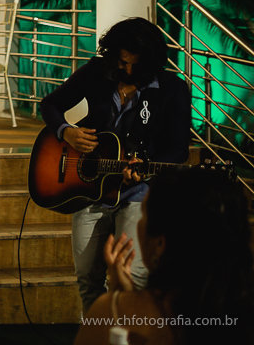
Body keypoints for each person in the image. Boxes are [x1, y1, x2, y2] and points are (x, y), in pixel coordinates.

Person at [40, 17, 191, 314]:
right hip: (89, 189)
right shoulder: (98, 72)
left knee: (133, 277)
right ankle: (96, 333)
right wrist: (66, 132)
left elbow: (178, 150)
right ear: (113, 55)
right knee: (87, 276)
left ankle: (127, 335)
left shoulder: (172, 89)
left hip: (137, 194)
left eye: (137, 65)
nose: (129, 71)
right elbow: (50, 105)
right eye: (123, 63)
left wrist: (144, 165)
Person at [73, 168, 254, 344]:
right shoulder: (237, 314)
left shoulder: (115, 311)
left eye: (143, 215)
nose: (137, 223)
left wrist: (119, 304)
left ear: (160, 243)